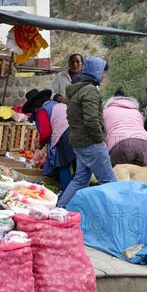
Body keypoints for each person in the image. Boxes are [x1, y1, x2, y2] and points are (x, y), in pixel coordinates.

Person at [56, 56, 117, 208]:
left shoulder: (76, 89)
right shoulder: (90, 90)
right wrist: (99, 139)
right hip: (91, 142)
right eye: (103, 73)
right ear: (96, 72)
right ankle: (118, 215)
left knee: (80, 180)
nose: (104, 76)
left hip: (78, 142)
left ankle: (61, 207)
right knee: (109, 182)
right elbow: (91, 120)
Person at [22, 89, 75, 192]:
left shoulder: (43, 111)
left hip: (64, 135)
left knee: (62, 165)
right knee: (78, 168)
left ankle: (67, 195)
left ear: (35, 107)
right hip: (77, 132)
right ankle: (77, 194)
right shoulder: (56, 104)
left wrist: (39, 145)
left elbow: (45, 134)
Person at [103, 90, 147, 167]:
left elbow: (102, 133)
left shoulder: (106, 112)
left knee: (120, 177)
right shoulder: (137, 112)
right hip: (144, 144)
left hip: (120, 144)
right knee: (139, 176)